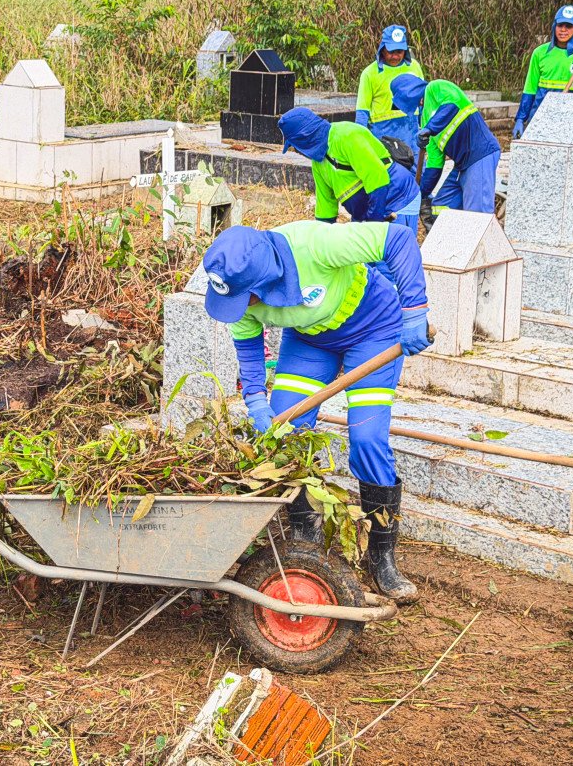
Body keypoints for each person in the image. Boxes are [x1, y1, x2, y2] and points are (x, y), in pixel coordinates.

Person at [201, 220, 432, 602]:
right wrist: (256, 398)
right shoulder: (237, 296)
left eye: (246, 299)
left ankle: (381, 558)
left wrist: (414, 310)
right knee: (288, 435)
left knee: (367, 439)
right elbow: (248, 346)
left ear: (264, 281)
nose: (241, 307)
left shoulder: (315, 244)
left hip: (372, 328)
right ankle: (305, 544)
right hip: (310, 343)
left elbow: (398, 239)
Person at [278, 108, 421, 232]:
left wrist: (372, 229)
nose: (296, 150)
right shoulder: (318, 163)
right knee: (362, 261)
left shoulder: (346, 136)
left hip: (398, 200)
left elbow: (378, 180)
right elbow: (325, 208)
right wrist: (321, 241)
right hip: (366, 214)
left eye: (295, 145)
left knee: (392, 257)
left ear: (304, 138)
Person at [391, 73, 501, 216]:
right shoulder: (424, 121)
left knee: (478, 214)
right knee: (441, 206)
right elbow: (434, 164)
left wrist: (430, 128)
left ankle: (482, 238)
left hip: (480, 154)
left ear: (407, 94)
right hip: (463, 164)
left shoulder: (436, 87)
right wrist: (421, 194)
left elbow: (452, 104)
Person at [513, 5, 573, 139]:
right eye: (560, 25)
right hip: (540, 115)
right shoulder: (540, 53)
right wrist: (520, 119)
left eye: (568, 26)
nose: (563, 30)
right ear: (554, 25)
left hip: (570, 119)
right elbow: (530, 89)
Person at [355, 24, 424, 154]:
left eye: (399, 52)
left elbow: (422, 104)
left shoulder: (414, 67)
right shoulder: (370, 73)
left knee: (418, 173)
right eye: (391, 52)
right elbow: (362, 112)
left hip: (411, 136)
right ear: (382, 49)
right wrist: (359, 141)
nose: (395, 56)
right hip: (382, 139)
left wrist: (425, 130)